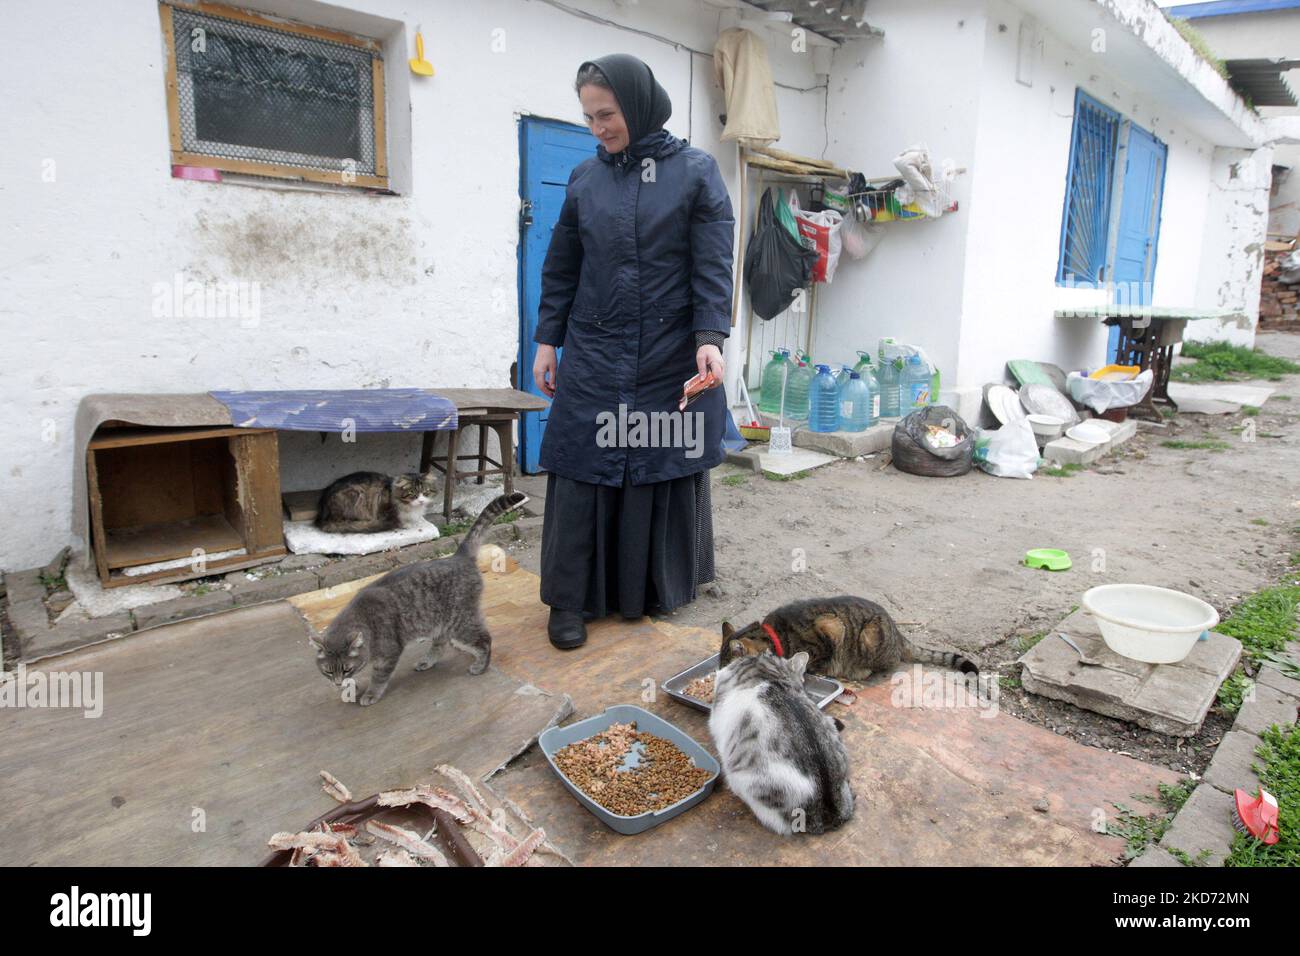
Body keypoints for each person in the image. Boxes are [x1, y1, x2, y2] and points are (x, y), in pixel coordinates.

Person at [531, 53, 734, 649]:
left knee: (651, 460)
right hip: (595, 348)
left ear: (638, 104)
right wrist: (548, 340)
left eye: (608, 114)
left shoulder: (696, 172)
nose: (598, 128)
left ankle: (640, 593)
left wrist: (709, 339)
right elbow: (562, 265)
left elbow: (713, 266)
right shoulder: (584, 179)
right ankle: (568, 602)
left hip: (669, 349)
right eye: (589, 117)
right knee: (581, 465)